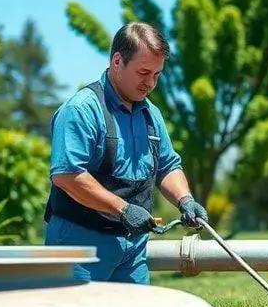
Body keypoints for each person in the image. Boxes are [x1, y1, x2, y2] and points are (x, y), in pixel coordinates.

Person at [44, 22, 208, 283]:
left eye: (157, 75)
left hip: (132, 252)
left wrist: (185, 200)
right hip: (80, 246)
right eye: (144, 72)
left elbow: (167, 166)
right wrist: (123, 209)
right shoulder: (81, 109)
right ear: (117, 61)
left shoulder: (151, 114)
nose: (150, 83)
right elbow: (67, 175)